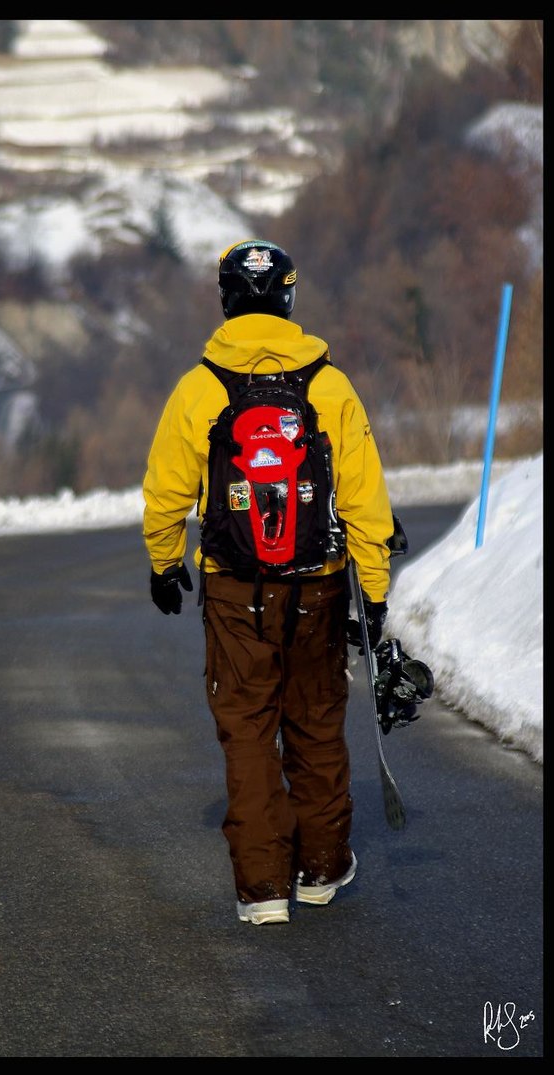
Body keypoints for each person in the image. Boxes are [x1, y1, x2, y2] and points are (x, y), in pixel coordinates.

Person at [142, 239, 395, 926]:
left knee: (248, 729)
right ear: (288, 298)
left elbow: (166, 493)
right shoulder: (329, 386)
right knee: (315, 721)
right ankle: (321, 868)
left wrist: (165, 563)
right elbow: (365, 499)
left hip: (234, 586)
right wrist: (373, 591)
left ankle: (263, 889)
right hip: (319, 583)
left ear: (226, 300)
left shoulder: (200, 388)